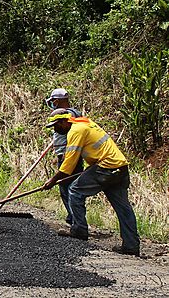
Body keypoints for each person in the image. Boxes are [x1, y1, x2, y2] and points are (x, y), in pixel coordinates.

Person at [42, 109, 140, 256]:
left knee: (75, 191)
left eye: (55, 126)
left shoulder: (75, 131)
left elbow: (69, 163)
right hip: (120, 167)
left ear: (63, 122)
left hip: (106, 168)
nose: (55, 130)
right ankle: (131, 246)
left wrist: (52, 181)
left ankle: (79, 230)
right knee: (123, 208)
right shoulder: (84, 122)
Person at [44, 88, 84, 226]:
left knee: (67, 187)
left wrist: (64, 154)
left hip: (70, 156)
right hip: (67, 154)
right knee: (68, 187)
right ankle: (72, 217)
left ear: (57, 100)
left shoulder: (68, 115)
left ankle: (75, 220)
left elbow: (72, 136)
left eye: (53, 101)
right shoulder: (70, 114)